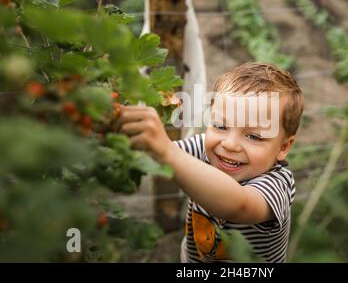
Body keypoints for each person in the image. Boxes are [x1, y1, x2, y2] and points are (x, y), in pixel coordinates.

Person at [117, 62, 304, 262]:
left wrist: (166, 151)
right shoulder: (207, 148)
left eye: (253, 137)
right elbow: (158, 154)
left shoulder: (278, 184)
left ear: (283, 147)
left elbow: (239, 206)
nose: (230, 144)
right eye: (220, 125)